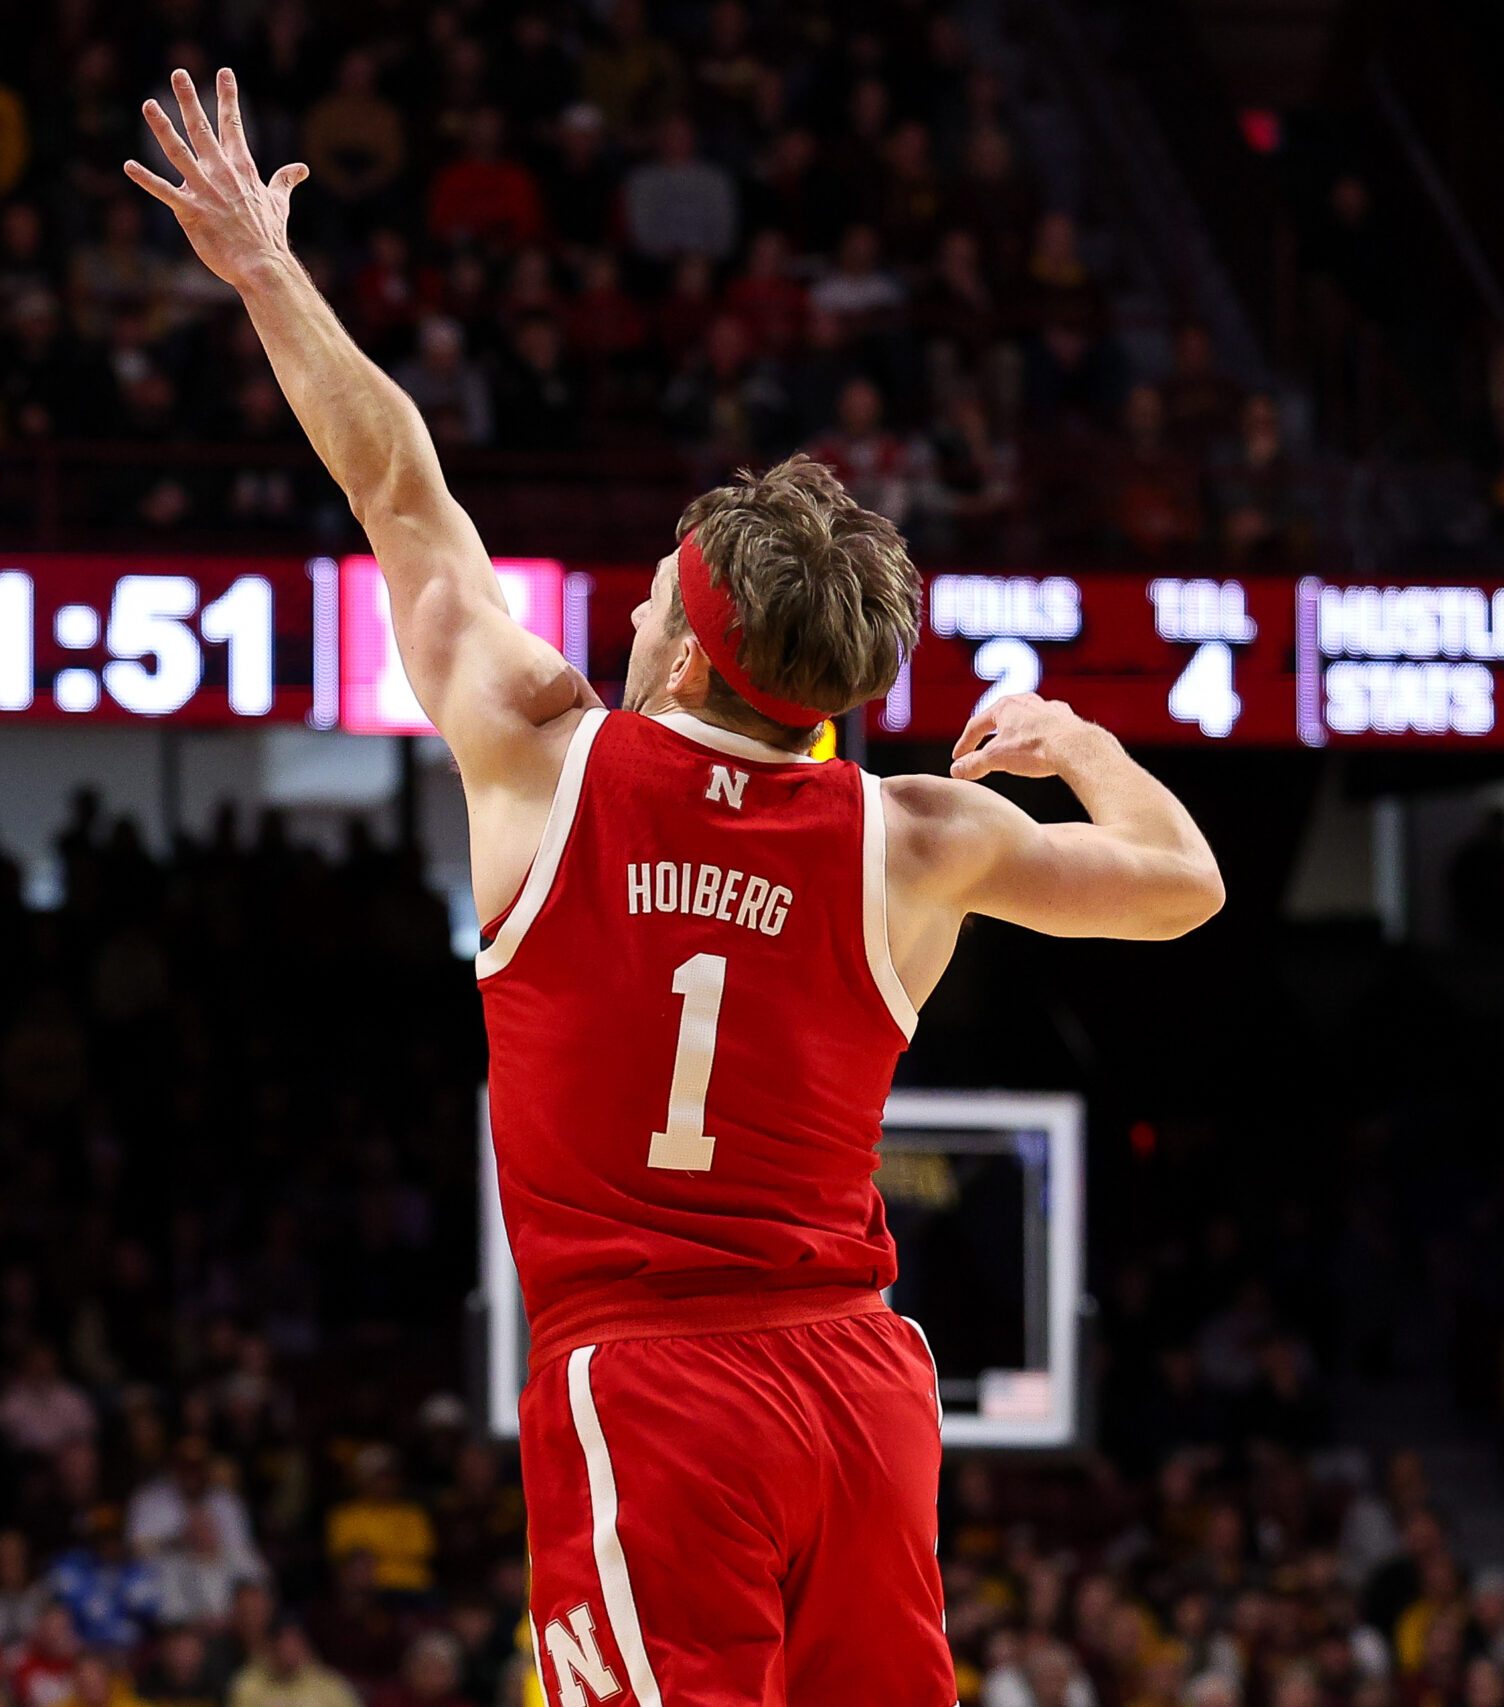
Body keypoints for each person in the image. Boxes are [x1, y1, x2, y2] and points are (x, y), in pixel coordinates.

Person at [130, 68, 1224, 1707]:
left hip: (652, 1389)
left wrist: (267, 272)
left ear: (683, 636)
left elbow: (401, 489)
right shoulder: (913, 836)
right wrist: (1072, 735)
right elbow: (1184, 883)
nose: (633, 603)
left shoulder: (542, 751)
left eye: (650, 587)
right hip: (861, 1391)